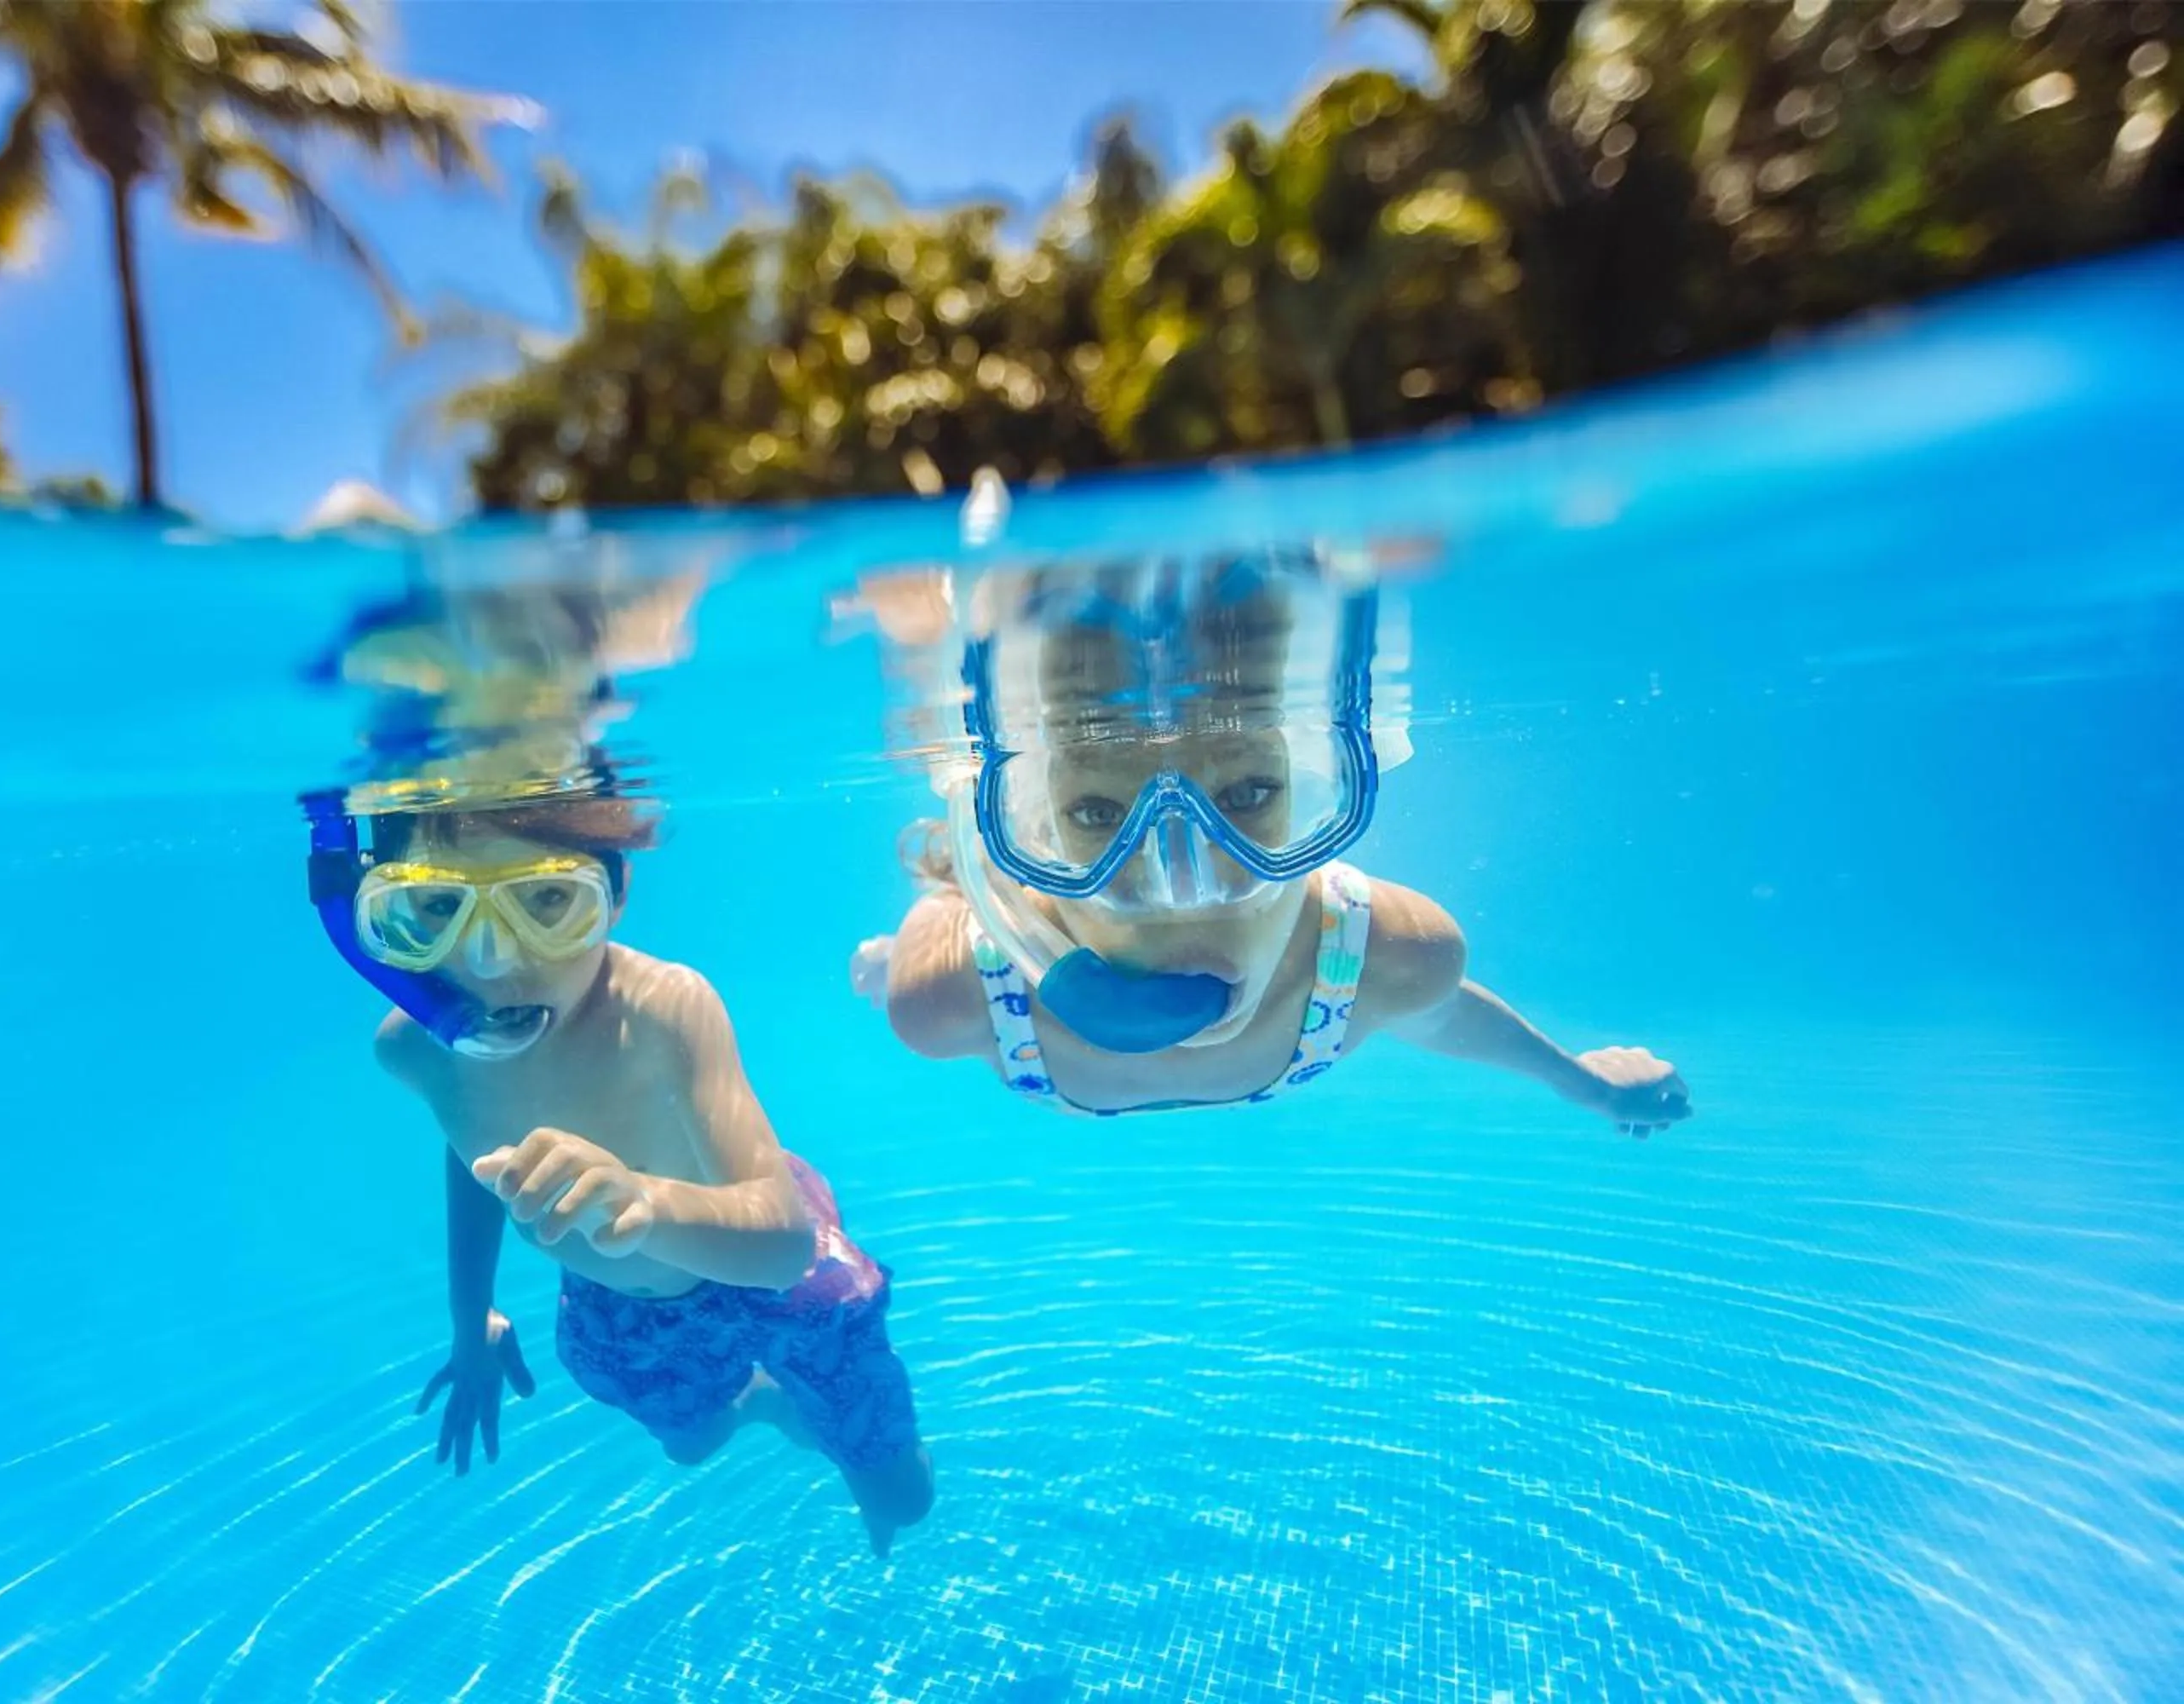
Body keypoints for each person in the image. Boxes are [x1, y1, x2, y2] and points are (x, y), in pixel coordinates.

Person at [307, 786, 936, 1555]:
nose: (494, 957)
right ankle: (768, 1402)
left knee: (904, 1500)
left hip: (761, 1260)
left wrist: (644, 1203)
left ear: (615, 893)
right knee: (693, 1444)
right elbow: (470, 1147)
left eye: (547, 900)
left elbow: (782, 1248)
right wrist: (470, 1320)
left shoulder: (662, 1009)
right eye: (440, 906)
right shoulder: (415, 1049)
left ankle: (845, 1445)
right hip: (616, 1300)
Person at [858, 554, 1693, 1131]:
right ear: (1023, 827)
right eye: (1100, 813)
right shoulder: (949, 994)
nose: (1185, 885)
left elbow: (1440, 1014)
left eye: (1248, 794)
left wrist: (1579, 1079)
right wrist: (917, 947)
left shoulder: (1392, 953)